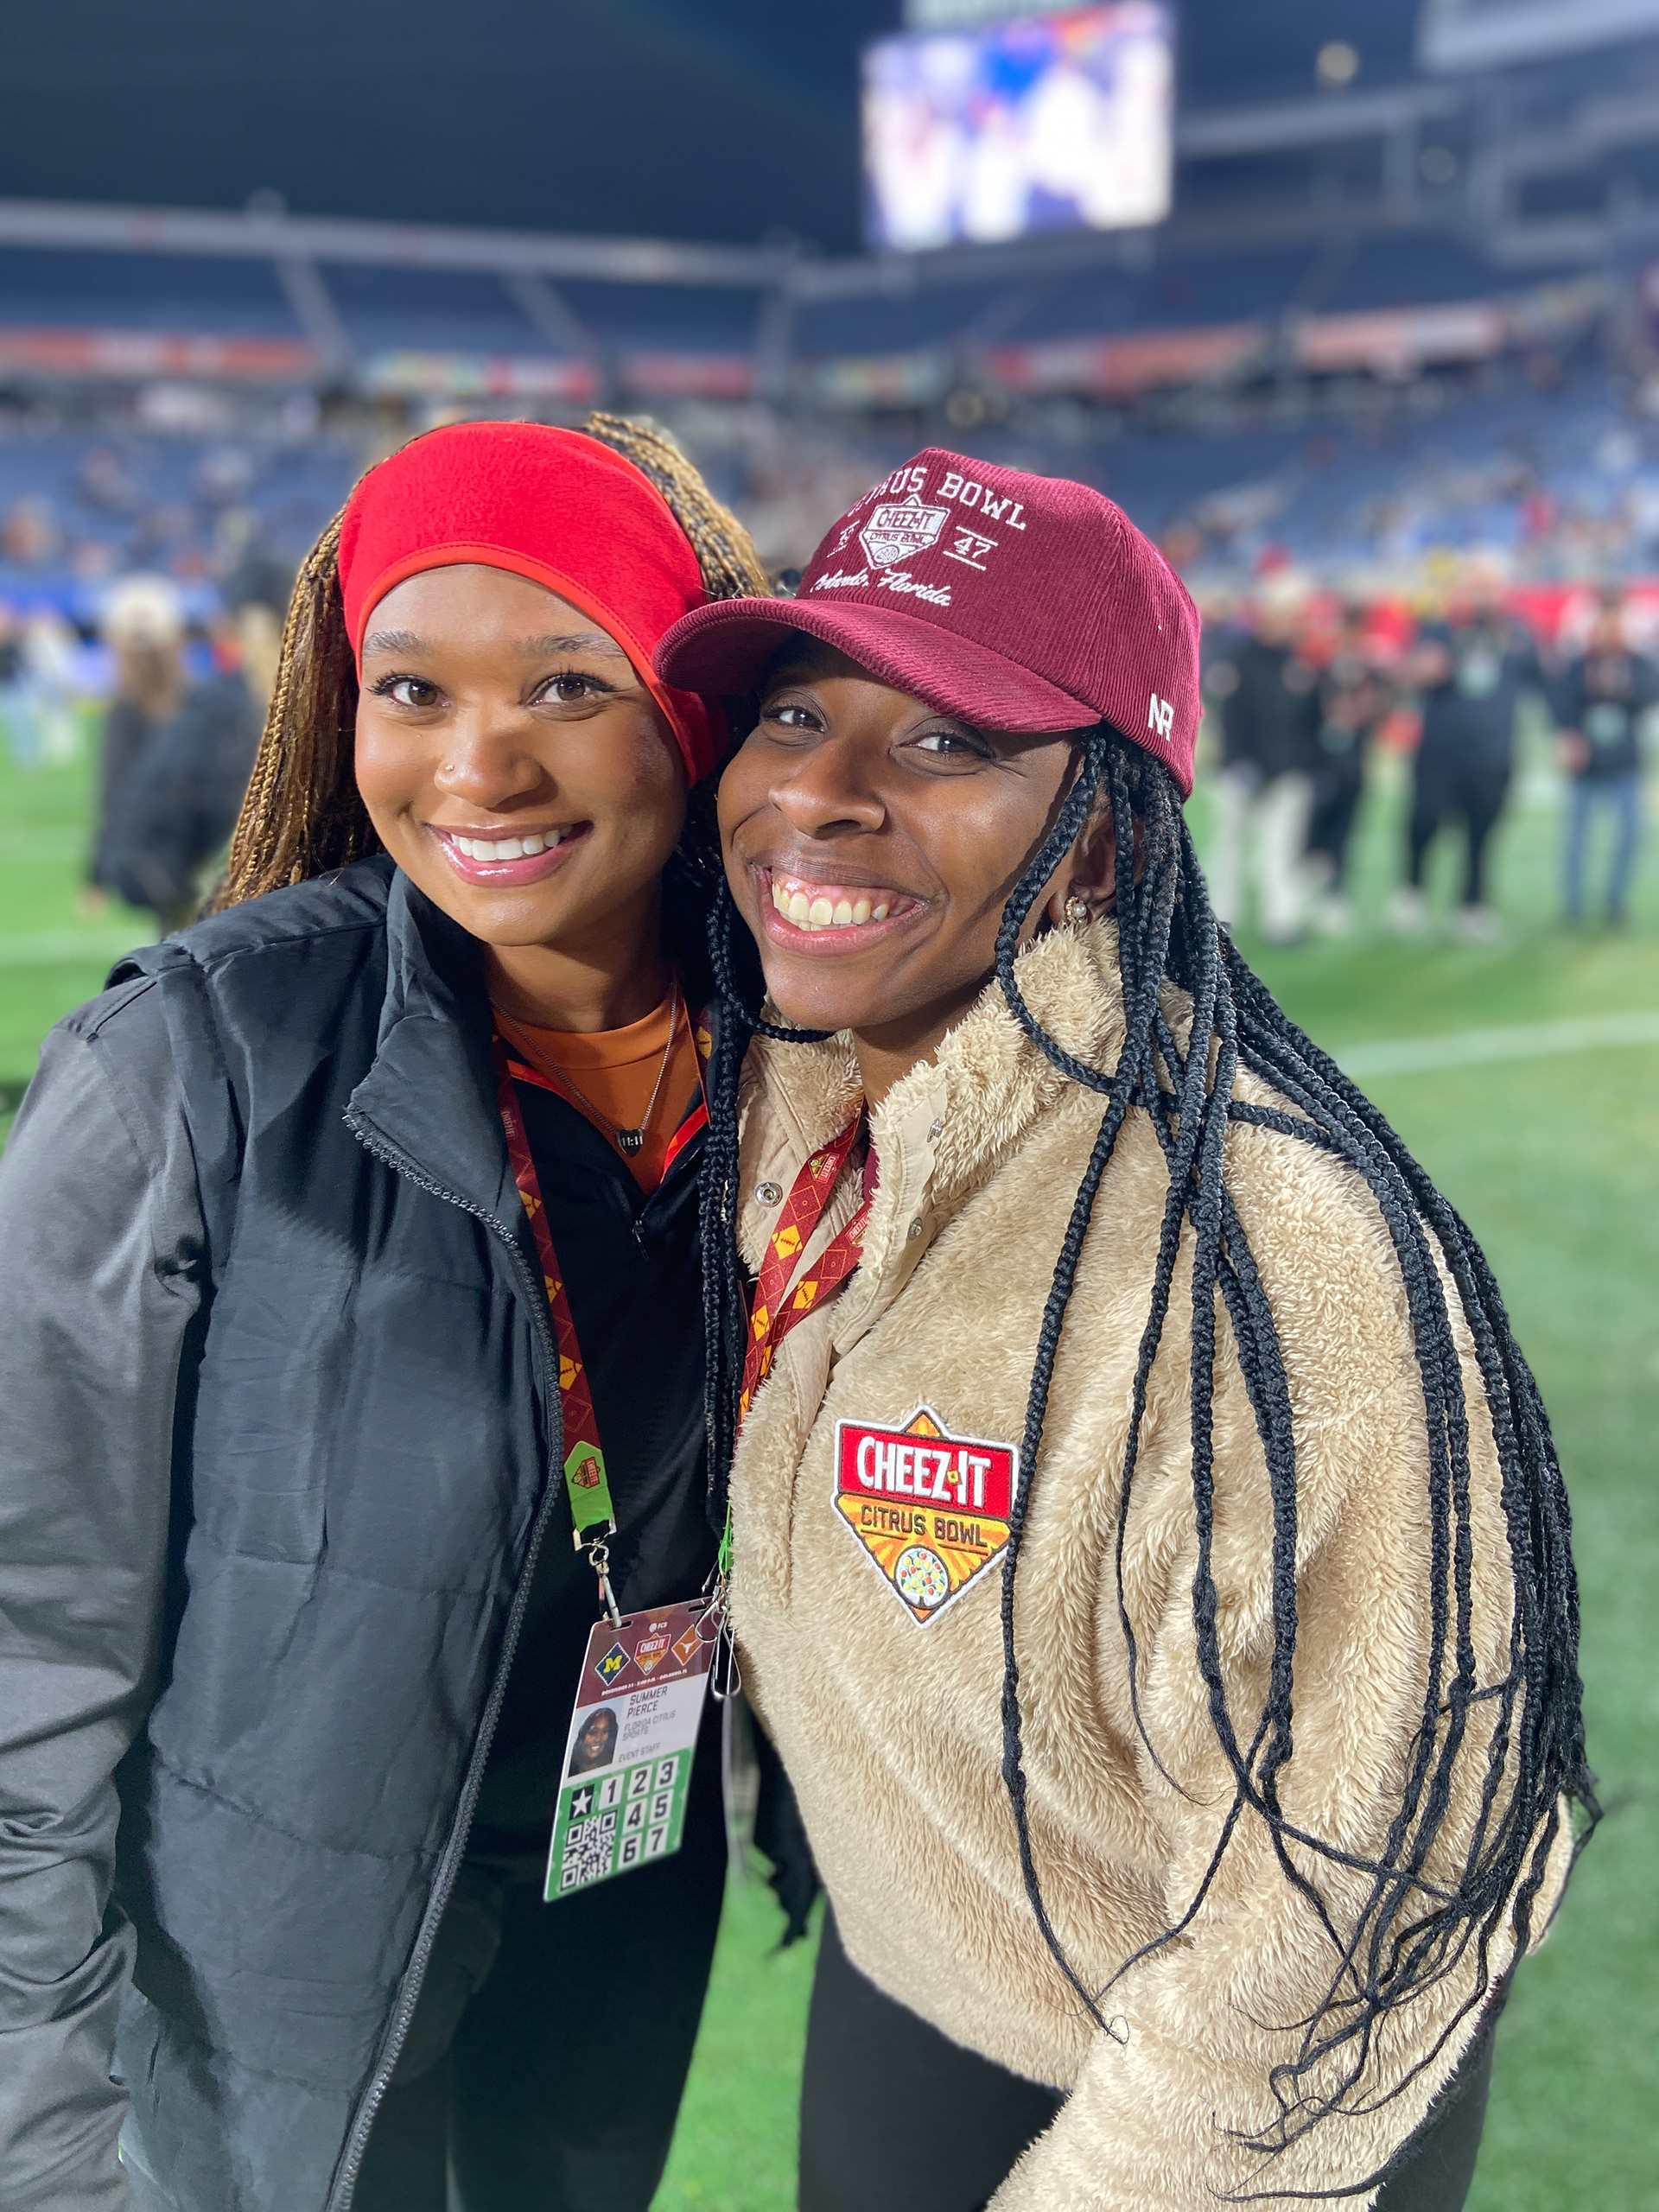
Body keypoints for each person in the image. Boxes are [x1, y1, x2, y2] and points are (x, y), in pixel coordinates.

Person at [657, 449, 1594, 2212]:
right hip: (925, 1960)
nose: (821, 794)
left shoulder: (1271, 1263)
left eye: (945, 740)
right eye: (794, 715)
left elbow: (1349, 1897)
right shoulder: (788, 1117)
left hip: (1244, 2081)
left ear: (1099, 836)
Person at [0, 416, 772, 2212]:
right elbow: (27, 1627)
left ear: (687, 711)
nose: (477, 765)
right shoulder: (186, 1064)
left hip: (615, 1884)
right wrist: (38, 2127)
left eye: (567, 683)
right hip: (264, 1971)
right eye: (411, 689)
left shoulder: (807, 1042)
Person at [103, 559, 291, 934]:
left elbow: (141, 836)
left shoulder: (210, 713)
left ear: (225, 626)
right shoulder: (346, 697)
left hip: (227, 931)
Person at [1394, 556, 1545, 942]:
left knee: (1481, 834)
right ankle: (1412, 891)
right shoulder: (1439, 630)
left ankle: (1472, 905)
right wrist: (1419, 670)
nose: (1482, 593)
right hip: (1439, 752)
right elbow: (1404, 676)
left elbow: (1545, 684)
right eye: (1475, 584)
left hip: (1493, 753)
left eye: (1489, 585)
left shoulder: (1518, 635)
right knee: (1424, 821)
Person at [1202, 569, 1322, 945]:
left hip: (1288, 770)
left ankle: (1282, 919)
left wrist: (1312, 765)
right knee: (1229, 844)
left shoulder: (1300, 665)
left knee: (1283, 847)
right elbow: (1230, 717)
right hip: (1241, 771)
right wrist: (1238, 760)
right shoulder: (1238, 660)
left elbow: (1311, 721)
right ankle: (1220, 917)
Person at [84, 575, 188, 916]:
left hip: (156, 862)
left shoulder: (124, 711)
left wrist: (95, 875)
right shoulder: (200, 702)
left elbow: (114, 795)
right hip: (207, 854)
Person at [1551, 590, 1655, 925]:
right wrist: (1568, 736)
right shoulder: (1580, 663)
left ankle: (1615, 901)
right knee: (1577, 836)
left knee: (1630, 833)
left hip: (1624, 761)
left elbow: (1649, 696)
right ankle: (1573, 904)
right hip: (1586, 763)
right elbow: (1562, 703)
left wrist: (1623, 685)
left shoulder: (1637, 663)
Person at [1305, 598, 1393, 932]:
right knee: (1315, 826)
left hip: (1354, 763)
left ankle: (1334, 895)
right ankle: (1307, 887)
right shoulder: (1322, 668)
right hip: (1322, 762)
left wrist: (1364, 709)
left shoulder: (1372, 671)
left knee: (1345, 831)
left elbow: (1384, 710)